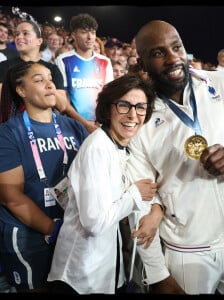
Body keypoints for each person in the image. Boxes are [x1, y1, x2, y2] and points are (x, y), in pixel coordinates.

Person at [126, 20, 224, 295]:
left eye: (176, 47)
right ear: (142, 63)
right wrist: (156, 273)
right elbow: (141, 199)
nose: (173, 57)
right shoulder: (138, 116)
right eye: (158, 52)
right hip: (188, 250)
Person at [47, 73, 161, 294]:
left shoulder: (116, 145)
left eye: (140, 107)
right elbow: (94, 223)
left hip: (102, 272)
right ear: (109, 108)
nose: (133, 115)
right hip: (80, 277)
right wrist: (135, 194)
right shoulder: (97, 149)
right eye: (124, 105)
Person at [0, 61, 88, 292]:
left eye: (50, 79)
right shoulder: (8, 133)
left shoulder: (72, 126)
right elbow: (10, 196)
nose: (49, 85)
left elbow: (108, 149)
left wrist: (69, 110)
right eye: (39, 80)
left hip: (71, 232)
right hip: (30, 237)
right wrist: (52, 229)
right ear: (21, 91)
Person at [0, 16, 91, 135]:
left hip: (44, 131)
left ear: (39, 41)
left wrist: (42, 79)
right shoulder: (4, 67)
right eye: (17, 34)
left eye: (25, 33)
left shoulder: (52, 69)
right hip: (13, 130)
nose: (19, 37)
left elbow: (62, 105)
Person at [55, 13, 114, 128]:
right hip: (72, 125)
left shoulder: (105, 61)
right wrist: (85, 123)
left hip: (99, 124)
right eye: (84, 32)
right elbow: (62, 100)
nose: (90, 37)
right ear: (74, 35)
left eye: (92, 32)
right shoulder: (63, 60)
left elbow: (109, 96)